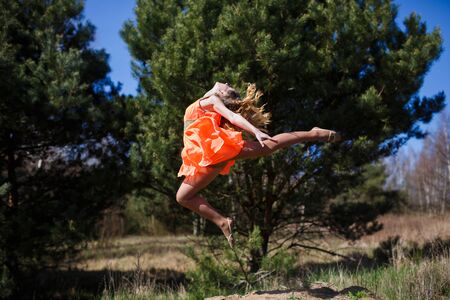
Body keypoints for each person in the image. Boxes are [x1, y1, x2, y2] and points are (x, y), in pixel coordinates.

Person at [176, 82, 341, 247]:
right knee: (267, 148)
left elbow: (233, 116)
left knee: (183, 197)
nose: (226, 83)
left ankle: (222, 222)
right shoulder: (206, 99)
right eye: (227, 85)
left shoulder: (212, 100)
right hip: (210, 155)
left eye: (228, 87)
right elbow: (217, 94)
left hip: (213, 152)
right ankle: (313, 133)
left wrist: (255, 131)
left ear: (221, 94)